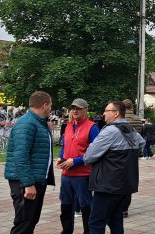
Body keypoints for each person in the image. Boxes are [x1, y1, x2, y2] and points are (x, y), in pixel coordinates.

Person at [84, 100, 145, 234]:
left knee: (96, 222)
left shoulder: (110, 131)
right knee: (116, 219)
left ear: (116, 113)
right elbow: (141, 143)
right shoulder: (130, 128)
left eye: (106, 111)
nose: (104, 114)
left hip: (108, 185)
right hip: (125, 184)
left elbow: (89, 157)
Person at [4, 91, 55, 234]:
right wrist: (28, 184)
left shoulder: (38, 123)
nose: (51, 109)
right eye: (50, 105)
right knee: (24, 223)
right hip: (25, 183)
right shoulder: (27, 124)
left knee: (30, 221)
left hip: (35, 180)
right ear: (45, 105)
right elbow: (20, 156)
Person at [56, 98, 99, 234]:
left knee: (86, 207)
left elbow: (95, 152)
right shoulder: (69, 125)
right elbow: (65, 145)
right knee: (66, 206)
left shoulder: (92, 128)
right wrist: (60, 157)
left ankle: (88, 232)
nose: (75, 111)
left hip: (82, 175)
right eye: (73, 108)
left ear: (86, 110)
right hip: (66, 174)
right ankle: (66, 231)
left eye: (78, 108)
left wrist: (75, 161)